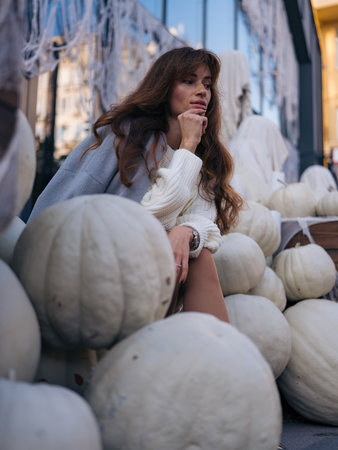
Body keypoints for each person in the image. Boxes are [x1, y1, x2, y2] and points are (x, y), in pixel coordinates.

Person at [28, 46, 243, 323]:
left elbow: (206, 221)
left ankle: (218, 357)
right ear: (165, 87)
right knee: (188, 257)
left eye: (206, 83)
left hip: (144, 271)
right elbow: (141, 220)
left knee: (198, 257)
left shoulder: (206, 155)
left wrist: (186, 230)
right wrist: (187, 147)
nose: (202, 91)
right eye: (188, 81)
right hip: (92, 266)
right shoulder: (131, 137)